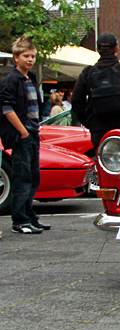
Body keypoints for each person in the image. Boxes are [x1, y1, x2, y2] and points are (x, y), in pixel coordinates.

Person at [0, 36, 48, 234]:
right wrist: (23, 131)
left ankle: (29, 217)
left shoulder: (31, 78)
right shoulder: (11, 80)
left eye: (33, 56)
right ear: (16, 57)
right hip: (23, 136)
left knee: (34, 177)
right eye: (26, 56)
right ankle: (19, 221)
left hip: (33, 133)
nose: (30, 60)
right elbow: (6, 108)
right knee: (22, 178)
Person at [72, 33, 120, 149]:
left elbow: (76, 101)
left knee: (102, 157)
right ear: (117, 49)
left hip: (98, 128)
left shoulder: (88, 73)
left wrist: (90, 122)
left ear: (98, 50)